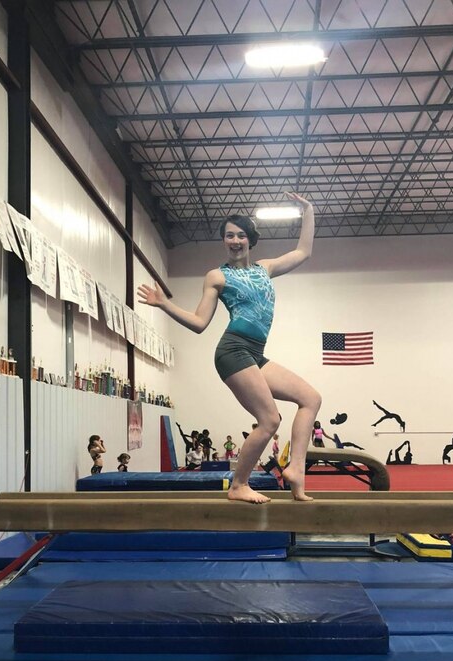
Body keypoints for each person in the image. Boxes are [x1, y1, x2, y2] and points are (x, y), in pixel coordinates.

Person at [137, 191, 320, 503]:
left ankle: (296, 470)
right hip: (232, 351)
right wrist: (164, 304)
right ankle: (238, 486)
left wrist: (308, 210)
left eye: (240, 235)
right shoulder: (217, 276)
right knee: (270, 420)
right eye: (228, 236)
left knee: (310, 399)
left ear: (250, 239)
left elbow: (303, 251)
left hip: (255, 354)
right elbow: (199, 322)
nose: (234, 241)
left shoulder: (266, 268)